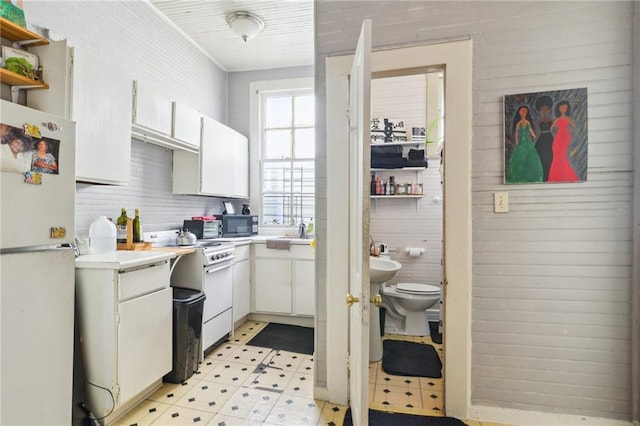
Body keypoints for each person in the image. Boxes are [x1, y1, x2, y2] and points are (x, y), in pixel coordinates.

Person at [507, 105, 543, 183]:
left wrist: (533, 135)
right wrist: (516, 141)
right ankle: (519, 176)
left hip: (527, 141)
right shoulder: (518, 123)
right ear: (519, 112)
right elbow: (516, 133)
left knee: (530, 157)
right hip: (521, 142)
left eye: (525, 111)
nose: (523, 113)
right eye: (522, 111)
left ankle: (531, 176)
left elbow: (530, 130)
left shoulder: (527, 122)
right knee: (520, 158)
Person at [548, 100, 579, 182]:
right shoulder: (557, 119)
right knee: (556, 155)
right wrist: (554, 132)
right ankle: (556, 176)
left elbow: (573, 126)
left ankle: (567, 175)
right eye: (561, 107)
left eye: (565, 107)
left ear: (567, 108)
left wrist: (568, 132)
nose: (563, 109)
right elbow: (551, 128)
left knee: (562, 155)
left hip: (565, 137)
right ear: (559, 109)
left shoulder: (567, 119)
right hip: (558, 137)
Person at [534, 96, 554, 181]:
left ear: (548, 109)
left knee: (550, 156)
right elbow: (536, 132)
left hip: (549, 138)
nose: (544, 110)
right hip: (542, 139)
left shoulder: (551, 120)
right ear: (540, 110)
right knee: (540, 156)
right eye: (542, 109)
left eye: (546, 108)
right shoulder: (538, 121)